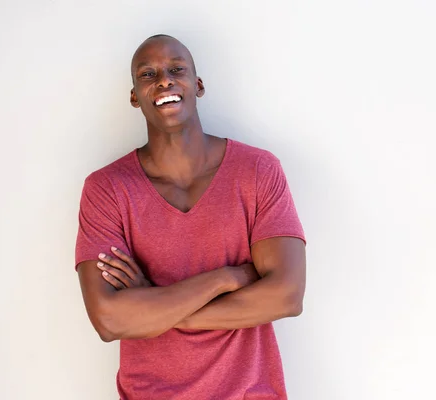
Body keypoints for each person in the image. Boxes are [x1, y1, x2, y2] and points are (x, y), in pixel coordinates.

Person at [75, 34, 306, 400]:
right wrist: (226, 278)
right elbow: (109, 320)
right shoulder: (107, 189)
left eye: (176, 69)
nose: (164, 80)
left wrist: (154, 306)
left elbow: (286, 297)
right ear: (135, 97)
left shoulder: (258, 170)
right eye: (148, 74)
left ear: (197, 85)